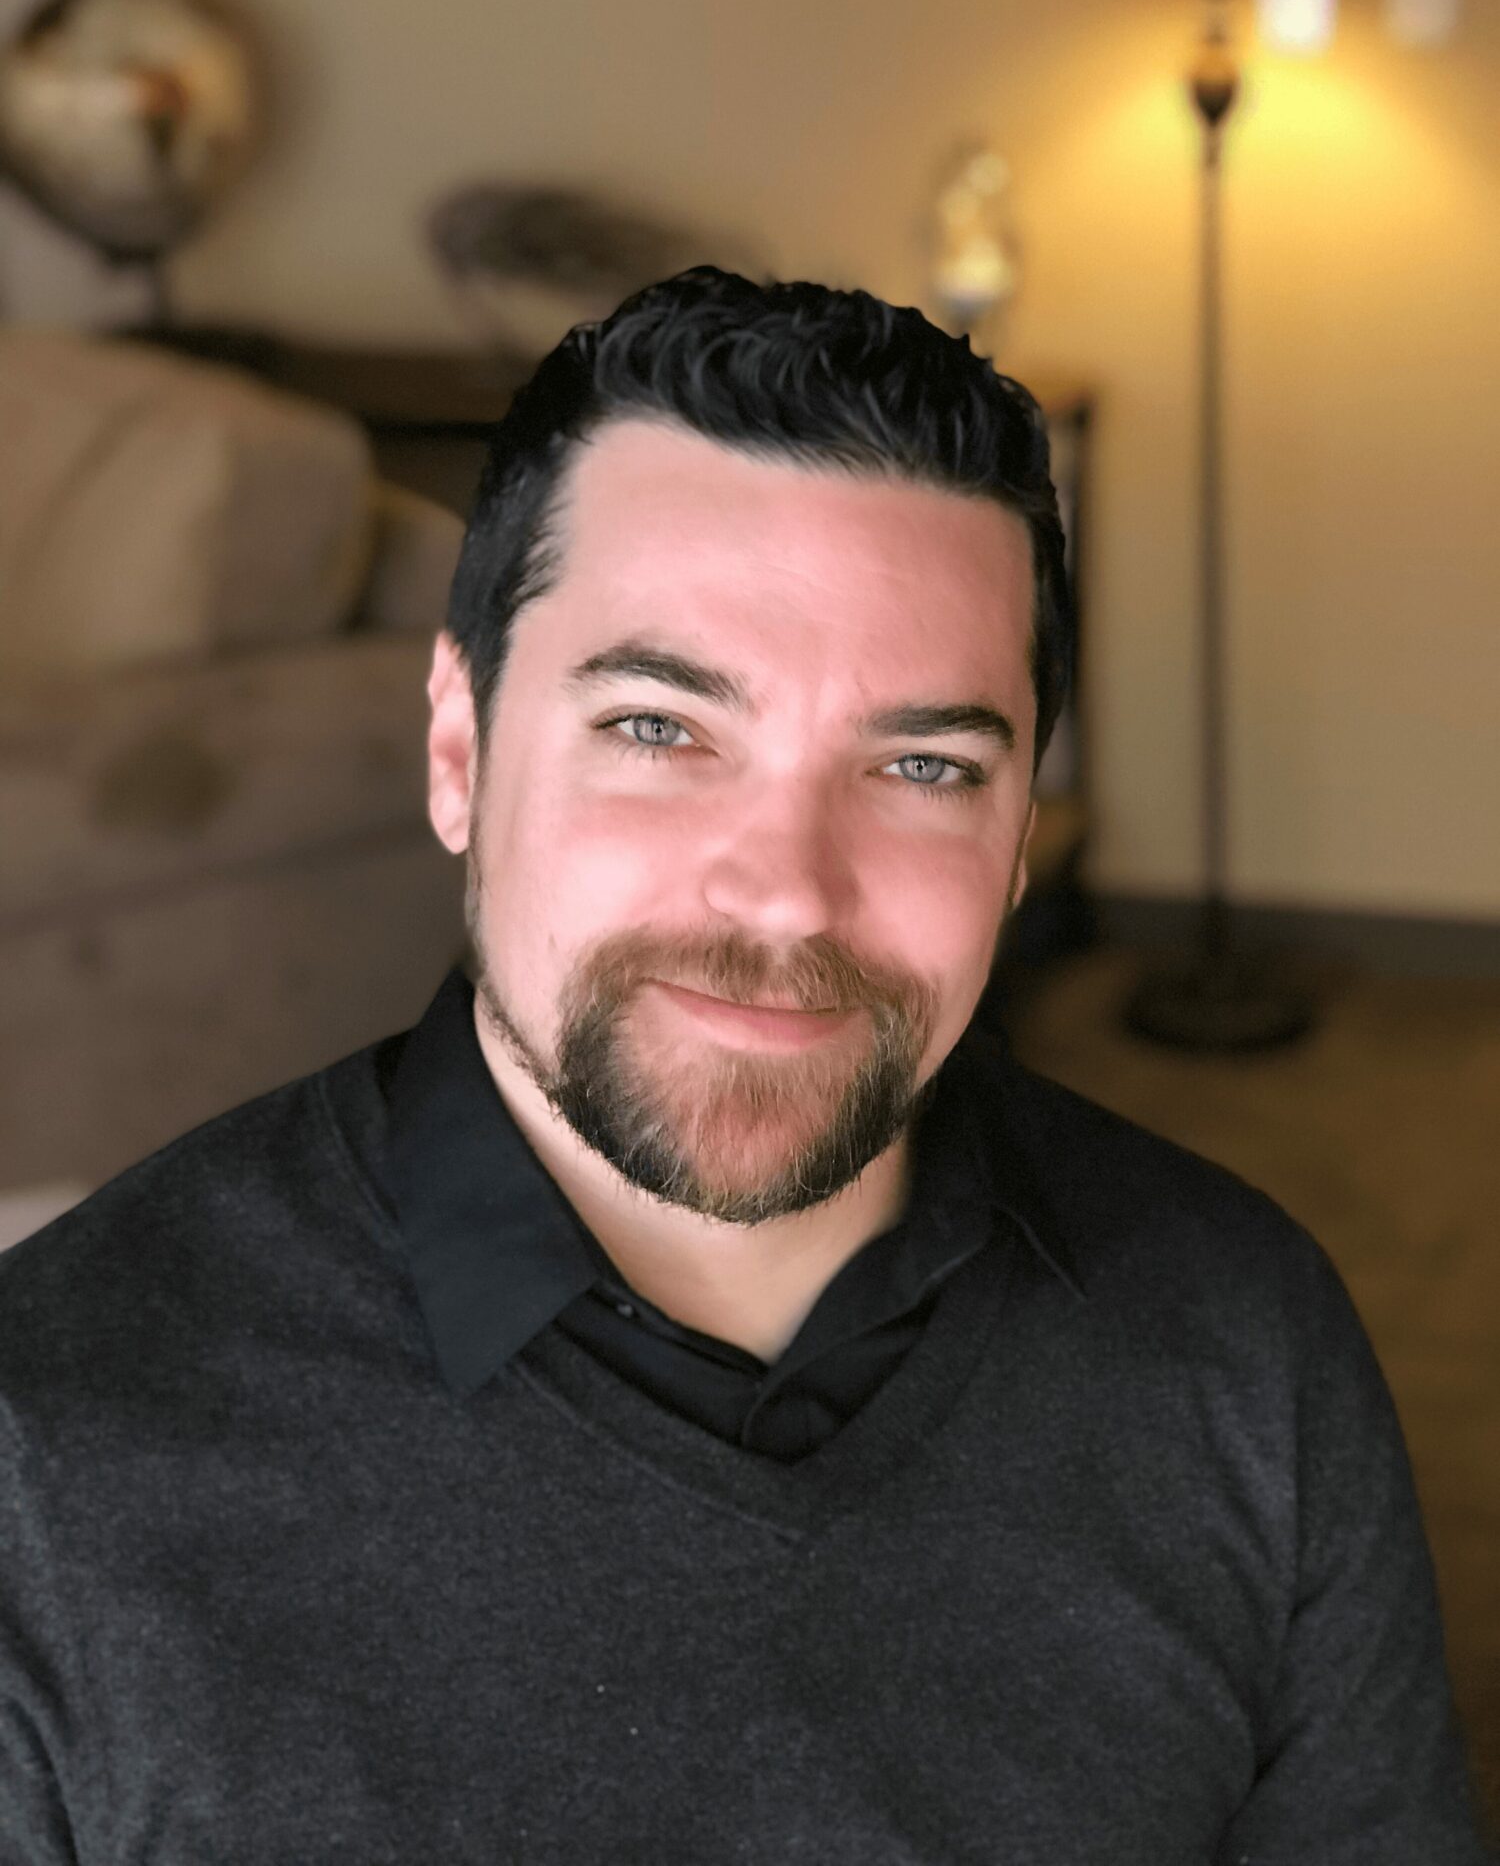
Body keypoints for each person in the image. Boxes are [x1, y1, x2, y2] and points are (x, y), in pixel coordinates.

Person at [0, 268, 1489, 1864]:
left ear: (1018, 842)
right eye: (660, 729)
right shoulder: (46, 1445)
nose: (787, 892)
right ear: (459, 747)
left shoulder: (1245, 1339)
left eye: (922, 766)